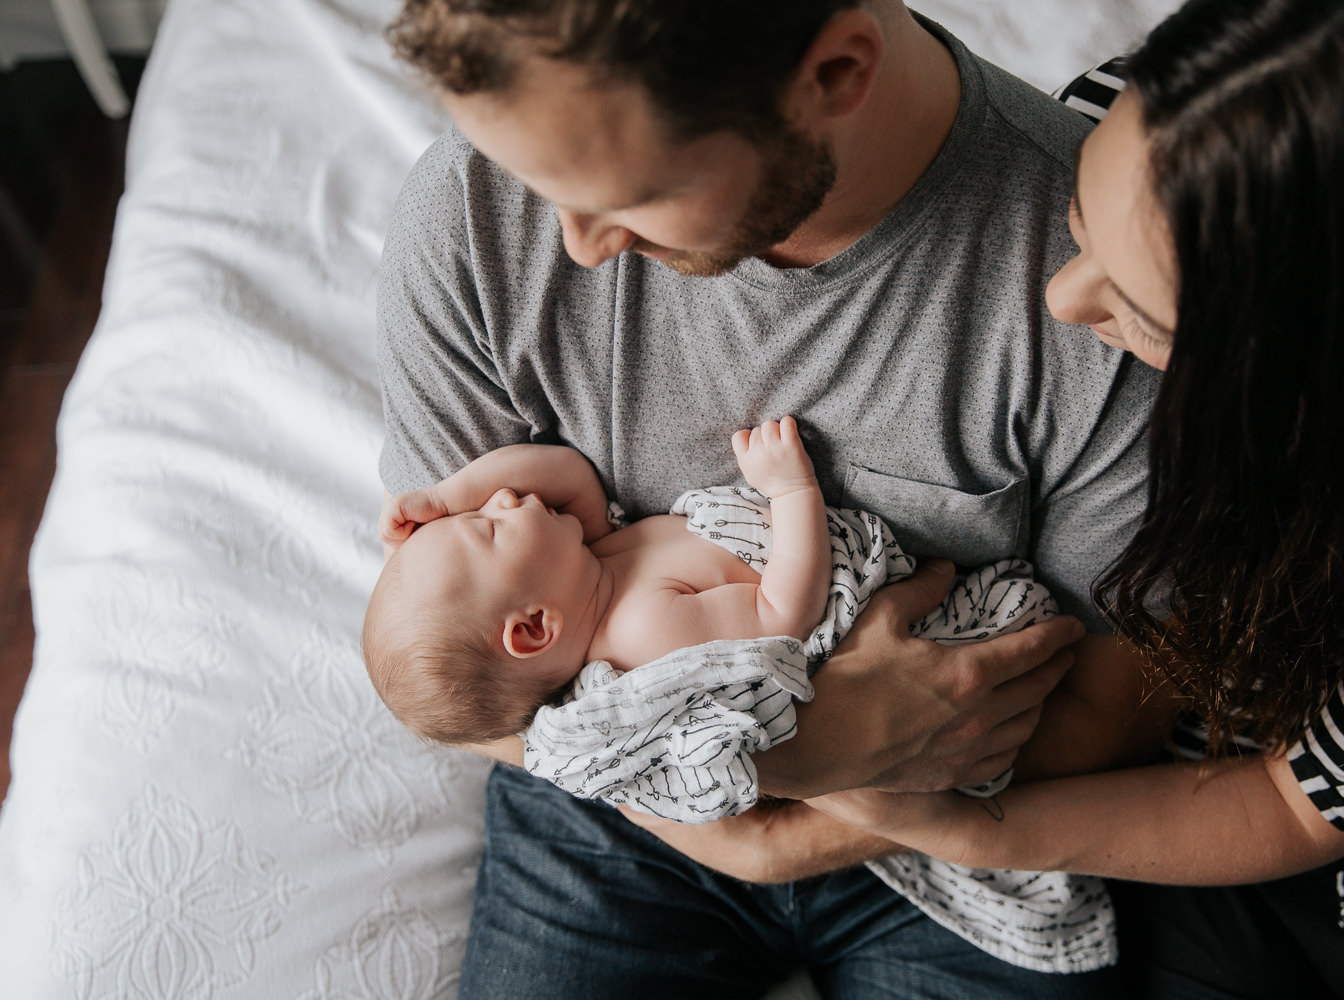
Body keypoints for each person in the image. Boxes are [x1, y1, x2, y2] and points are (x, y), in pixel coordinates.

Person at [694, 0, 1344, 996]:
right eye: (1078, 217)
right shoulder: (1151, 124)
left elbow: (1289, 809)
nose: (1061, 299)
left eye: (1146, 315)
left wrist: (963, 828)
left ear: (1332, 388)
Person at [375, 0, 1160, 994]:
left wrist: (845, 792)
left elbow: (1117, 701)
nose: (572, 245)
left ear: (835, 73)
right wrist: (781, 775)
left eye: (634, 195)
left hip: (953, 811)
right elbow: (455, 670)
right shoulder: (480, 204)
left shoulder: (1106, 287)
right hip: (617, 792)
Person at [363, 418, 831, 748]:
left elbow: (568, 475)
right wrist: (792, 490)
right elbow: (785, 616)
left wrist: (442, 497)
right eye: (490, 528)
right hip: (821, 567)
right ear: (534, 627)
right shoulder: (644, 631)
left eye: (478, 508)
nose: (500, 497)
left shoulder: (591, 567)